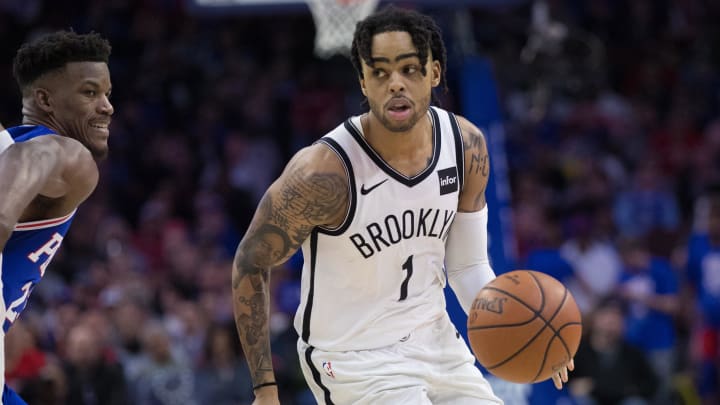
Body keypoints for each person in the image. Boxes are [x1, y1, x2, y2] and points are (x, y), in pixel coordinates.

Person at [231, 6, 573, 404]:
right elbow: (250, 263)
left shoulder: (465, 146)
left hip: (436, 342)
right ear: (363, 82)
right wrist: (264, 389)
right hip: (352, 359)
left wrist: (532, 328)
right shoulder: (322, 173)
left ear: (434, 73)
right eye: (379, 72)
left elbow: (467, 267)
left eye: (409, 69)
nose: (395, 83)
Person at [0, 30, 113, 404]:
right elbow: (35, 157)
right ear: (46, 99)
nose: (107, 106)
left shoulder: (9, 144)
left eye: (107, 94)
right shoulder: (68, 153)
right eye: (90, 92)